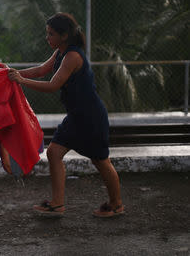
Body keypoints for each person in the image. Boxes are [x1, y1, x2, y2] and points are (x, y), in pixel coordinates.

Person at [7, 12, 124, 218]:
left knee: (100, 160)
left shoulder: (72, 56)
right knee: (54, 153)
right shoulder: (60, 52)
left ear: (64, 36)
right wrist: (13, 73)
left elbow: (53, 85)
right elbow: (42, 69)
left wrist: (20, 81)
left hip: (90, 117)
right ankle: (57, 204)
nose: (47, 38)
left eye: (51, 34)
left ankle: (116, 204)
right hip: (76, 116)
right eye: (47, 33)